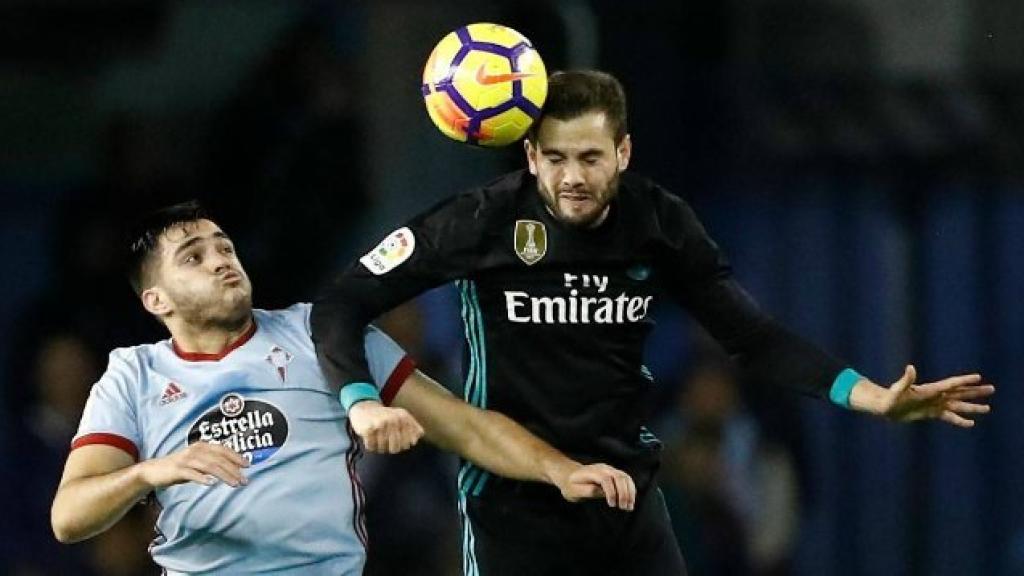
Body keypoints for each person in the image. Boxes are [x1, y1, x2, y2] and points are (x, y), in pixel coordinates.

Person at [310, 70, 995, 576]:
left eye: (590, 156)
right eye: (554, 159)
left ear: (624, 153)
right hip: (512, 510)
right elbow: (341, 305)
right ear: (529, 157)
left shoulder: (659, 224)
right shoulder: (479, 222)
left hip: (628, 506)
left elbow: (750, 337)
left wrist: (869, 394)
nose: (571, 177)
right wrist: (360, 400)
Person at [50, 201, 636, 576]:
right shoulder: (134, 374)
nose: (222, 260)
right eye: (194, 257)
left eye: (225, 247)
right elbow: (69, 517)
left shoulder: (322, 333)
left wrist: (560, 469)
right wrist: (150, 472)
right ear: (157, 301)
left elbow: (465, 424)